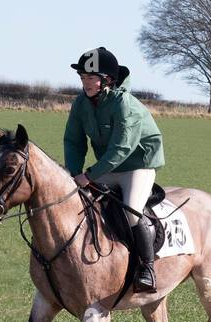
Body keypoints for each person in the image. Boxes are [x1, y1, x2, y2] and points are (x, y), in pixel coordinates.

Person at [63, 46, 165, 292]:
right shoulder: (80, 104)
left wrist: (88, 175)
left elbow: (121, 149)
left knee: (131, 212)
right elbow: (73, 141)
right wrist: (73, 174)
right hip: (107, 166)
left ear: (106, 80)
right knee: (82, 202)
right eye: (82, 78)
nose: (85, 83)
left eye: (90, 78)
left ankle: (147, 268)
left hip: (138, 166)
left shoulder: (124, 104)